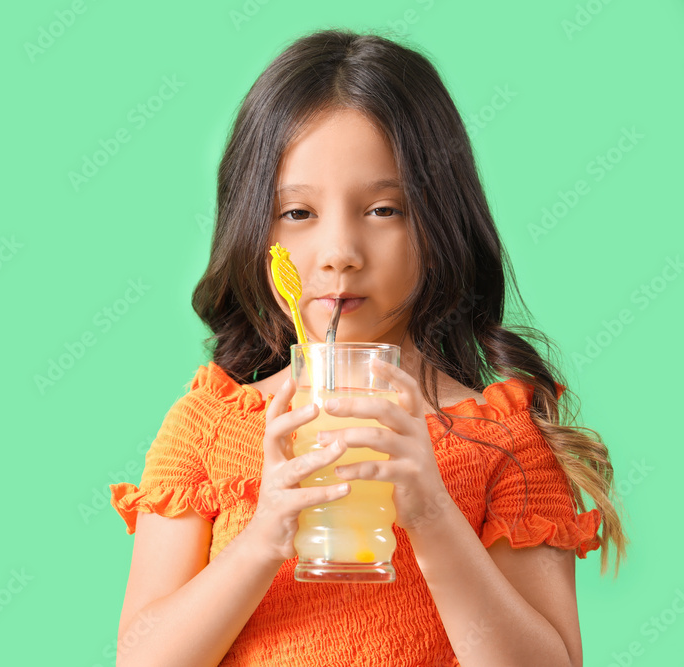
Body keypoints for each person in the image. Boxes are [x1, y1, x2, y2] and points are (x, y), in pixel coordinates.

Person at [109, 28, 627, 667]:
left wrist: (434, 515)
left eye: (383, 210)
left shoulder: (507, 445)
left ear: (439, 220)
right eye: (297, 214)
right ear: (253, 229)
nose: (339, 256)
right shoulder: (209, 428)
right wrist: (265, 536)